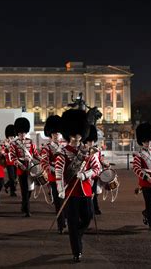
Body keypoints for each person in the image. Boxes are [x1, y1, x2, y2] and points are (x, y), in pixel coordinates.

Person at [55, 109, 100, 263]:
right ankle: (77, 251)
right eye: (73, 135)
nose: (76, 137)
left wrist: (85, 175)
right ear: (69, 135)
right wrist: (60, 189)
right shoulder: (63, 152)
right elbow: (59, 172)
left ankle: (77, 234)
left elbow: (96, 169)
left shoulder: (88, 151)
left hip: (85, 190)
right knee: (73, 223)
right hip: (70, 192)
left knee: (87, 217)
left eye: (78, 134)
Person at [10, 117, 41, 217]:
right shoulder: (13, 144)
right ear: (17, 133)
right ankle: (27, 210)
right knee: (24, 190)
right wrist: (21, 165)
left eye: (23, 133)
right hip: (21, 169)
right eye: (20, 133)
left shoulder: (31, 142)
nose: (22, 135)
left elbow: (35, 154)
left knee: (30, 189)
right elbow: (13, 158)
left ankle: (24, 205)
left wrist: (42, 159)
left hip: (31, 168)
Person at [40, 115, 65, 233]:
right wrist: (54, 169)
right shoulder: (47, 148)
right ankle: (61, 225)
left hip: (65, 178)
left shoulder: (64, 146)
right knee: (58, 203)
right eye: (54, 133)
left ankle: (66, 220)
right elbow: (44, 163)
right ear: (51, 135)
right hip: (54, 179)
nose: (56, 135)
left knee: (66, 202)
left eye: (58, 133)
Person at [2, 124, 17, 197]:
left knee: (15, 177)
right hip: (9, 162)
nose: (12, 137)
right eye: (10, 136)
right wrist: (6, 147)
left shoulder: (16, 142)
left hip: (16, 162)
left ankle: (6, 185)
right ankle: (12, 191)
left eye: (13, 136)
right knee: (12, 178)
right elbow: (2, 152)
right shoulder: (5, 142)